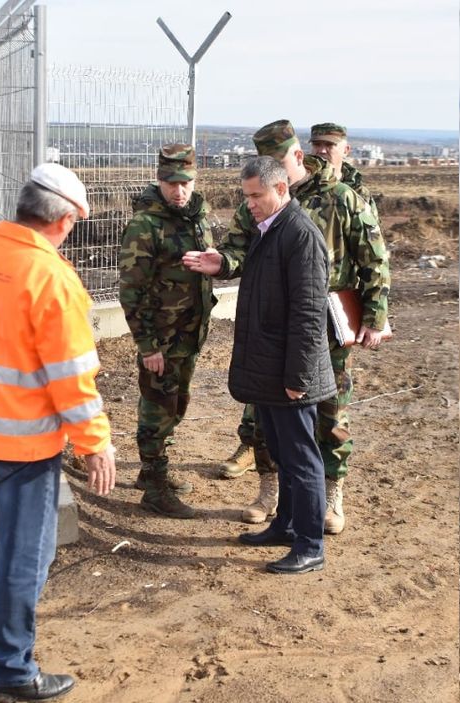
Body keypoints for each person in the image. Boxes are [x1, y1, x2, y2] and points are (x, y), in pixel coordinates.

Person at [0, 163, 116, 700]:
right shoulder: (53, 280)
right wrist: (95, 444)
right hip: (25, 446)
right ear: (63, 220)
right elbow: (72, 378)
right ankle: (13, 671)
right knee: (24, 557)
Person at [212, 119, 390, 535]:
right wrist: (221, 263)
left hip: (326, 320)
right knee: (264, 412)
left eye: (276, 164)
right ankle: (269, 490)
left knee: (330, 411)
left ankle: (331, 492)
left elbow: (374, 258)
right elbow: (237, 250)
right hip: (273, 324)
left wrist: (375, 316)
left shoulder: (342, 198)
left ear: (295, 158)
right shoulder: (254, 203)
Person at [184, 156, 335, 574]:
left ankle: (310, 545)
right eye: (246, 195)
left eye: (256, 195)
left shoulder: (300, 235)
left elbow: (308, 313)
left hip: (289, 374)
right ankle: (285, 526)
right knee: (284, 456)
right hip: (271, 370)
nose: (248, 204)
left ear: (281, 189)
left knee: (302, 459)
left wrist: (298, 378)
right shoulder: (270, 230)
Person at [119, 144, 214, 519]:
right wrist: (147, 345)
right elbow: (131, 290)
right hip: (161, 338)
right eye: (171, 183)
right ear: (159, 181)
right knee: (157, 408)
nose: (179, 191)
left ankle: (151, 472)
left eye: (185, 183)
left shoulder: (195, 216)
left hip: (189, 334)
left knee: (177, 404)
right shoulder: (146, 225)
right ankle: (155, 488)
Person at [309, 122, 379, 221]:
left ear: (346, 150)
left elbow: (371, 234)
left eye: (329, 145)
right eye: (317, 145)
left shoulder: (359, 194)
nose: (322, 151)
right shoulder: (298, 188)